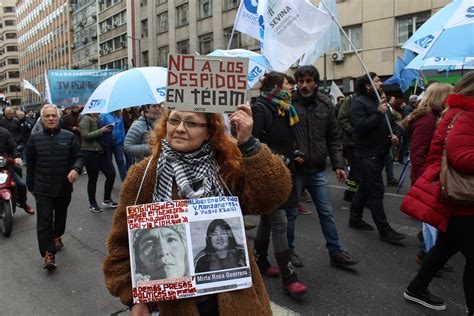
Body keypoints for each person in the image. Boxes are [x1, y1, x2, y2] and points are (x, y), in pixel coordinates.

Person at [103, 105, 291, 315]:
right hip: (174, 305)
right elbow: (120, 245)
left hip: (236, 299)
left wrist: (249, 144)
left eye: (191, 123)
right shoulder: (143, 175)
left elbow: (271, 198)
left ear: (210, 131)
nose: (180, 128)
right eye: (174, 121)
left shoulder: (226, 167)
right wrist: (133, 298)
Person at [403, 72, 474, 315]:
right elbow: (457, 156)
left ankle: (416, 288)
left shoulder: (456, 114)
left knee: (446, 245)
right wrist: (421, 182)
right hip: (460, 195)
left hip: (457, 195)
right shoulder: (464, 116)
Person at [291, 65, 358, 268]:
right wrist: (293, 153)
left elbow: (333, 136)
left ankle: (335, 252)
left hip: (318, 170)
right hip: (296, 171)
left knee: (326, 212)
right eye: (301, 81)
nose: (304, 85)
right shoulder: (289, 104)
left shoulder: (326, 104)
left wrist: (338, 165)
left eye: (308, 81)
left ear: (316, 83)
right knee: (291, 214)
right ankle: (288, 252)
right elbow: (283, 135)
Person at [251, 71, 307, 297]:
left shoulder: (285, 108)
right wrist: (273, 156)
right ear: (275, 87)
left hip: (285, 171)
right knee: (280, 221)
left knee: (268, 219)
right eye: (288, 84)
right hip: (268, 174)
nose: (292, 87)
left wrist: (294, 151)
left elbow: (286, 138)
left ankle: (260, 261)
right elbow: (252, 142)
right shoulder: (261, 109)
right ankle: (289, 277)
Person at [401, 83, 454, 270]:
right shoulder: (427, 120)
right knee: (432, 221)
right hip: (427, 176)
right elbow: (418, 153)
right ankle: (429, 257)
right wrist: (428, 178)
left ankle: (429, 253)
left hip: (429, 175)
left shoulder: (432, 117)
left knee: (432, 221)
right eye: (448, 96)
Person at [26, 104, 84, 270]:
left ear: (58, 118)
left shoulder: (69, 137)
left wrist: (76, 169)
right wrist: (31, 186)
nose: (50, 118)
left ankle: (57, 235)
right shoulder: (34, 139)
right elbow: (30, 165)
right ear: (42, 119)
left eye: (53, 116)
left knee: (60, 217)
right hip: (42, 188)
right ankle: (48, 254)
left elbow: (79, 156)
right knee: (44, 221)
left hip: (63, 188)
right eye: (47, 116)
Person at [348, 72, 404, 243]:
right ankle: (384, 229)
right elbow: (360, 126)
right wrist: (378, 114)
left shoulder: (381, 102)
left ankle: (355, 219)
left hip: (381, 152)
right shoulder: (358, 103)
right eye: (378, 81)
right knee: (376, 191)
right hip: (367, 154)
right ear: (367, 85)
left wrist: (395, 135)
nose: (381, 83)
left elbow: (393, 125)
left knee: (364, 187)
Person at [79, 113, 117, 213]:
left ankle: (107, 199)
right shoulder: (85, 118)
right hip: (90, 151)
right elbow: (85, 136)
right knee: (93, 179)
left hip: (102, 150)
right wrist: (102, 130)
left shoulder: (99, 118)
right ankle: (93, 203)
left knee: (111, 174)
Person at [0, 126, 33, 215]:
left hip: (4, 166)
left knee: (21, 185)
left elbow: (14, 147)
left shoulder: (4, 132)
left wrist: (17, 157)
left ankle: (23, 204)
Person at [98, 110, 127, 181]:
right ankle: (110, 181)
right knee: (109, 164)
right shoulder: (103, 115)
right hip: (107, 142)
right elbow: (99, 127)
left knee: (120, 161)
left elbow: (122, 128)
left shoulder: (119, 114)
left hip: (118, 142)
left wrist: (123, 139)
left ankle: (125, 181)